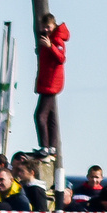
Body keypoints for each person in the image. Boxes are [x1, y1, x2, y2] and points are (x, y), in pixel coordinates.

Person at [33, 13, 68, 155]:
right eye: (44, 27)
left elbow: (61, 58)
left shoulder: (57, 40)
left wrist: (50, 46)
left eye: (48, 27)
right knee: (51, 116)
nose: (46, 29)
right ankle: (52, 147)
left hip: (51, 84)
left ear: (54, 26)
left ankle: (45, 147)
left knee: (40, 115)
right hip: (47, 82)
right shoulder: (46, 38)